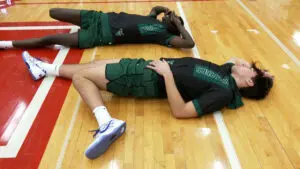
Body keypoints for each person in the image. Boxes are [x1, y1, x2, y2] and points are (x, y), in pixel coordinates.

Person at [21, 51, 274, 159]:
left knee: (81, 77)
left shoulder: (223, 94)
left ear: (250, 82)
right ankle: (44, 68)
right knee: (90, 66)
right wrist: (264, 76)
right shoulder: (226, 73)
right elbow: (236, 59)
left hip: (148, 80)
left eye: (252, 70)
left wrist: (168, 75)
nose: (247, 65)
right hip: (147, 66)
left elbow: (181, 111)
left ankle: (107, 123)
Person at [0, 6, 195, 49]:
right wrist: (167, 10)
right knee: (53, 11)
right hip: (97, 17)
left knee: (50, 40)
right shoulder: (152, 18)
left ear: (174, 27)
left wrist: (178, 24)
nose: (172, 17)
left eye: (175, 19)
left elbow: (189, 43)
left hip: (99, 36)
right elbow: (156, 8)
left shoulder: (163, 36)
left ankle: (6, 44)